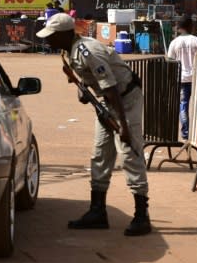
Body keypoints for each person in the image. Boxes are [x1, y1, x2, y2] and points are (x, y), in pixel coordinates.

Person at [36, 13, 151, 236]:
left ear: (65, 34)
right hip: (107, 103)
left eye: (51, 36)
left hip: (124, 100)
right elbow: (94, 86)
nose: (47, 41)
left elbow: (111, 88)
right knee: (99, 155)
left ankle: (141, 215)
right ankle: (97, 211)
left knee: (129, 153)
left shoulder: (88, 51)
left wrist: (124, 127)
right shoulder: (68, 52)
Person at [166, 17, 197, 140]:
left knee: (183, 105)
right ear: (191, 26)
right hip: (196, 78)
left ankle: (186, 133)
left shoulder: (174, 42)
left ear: (179, 27)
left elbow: (170, 60)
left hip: (181, 79)